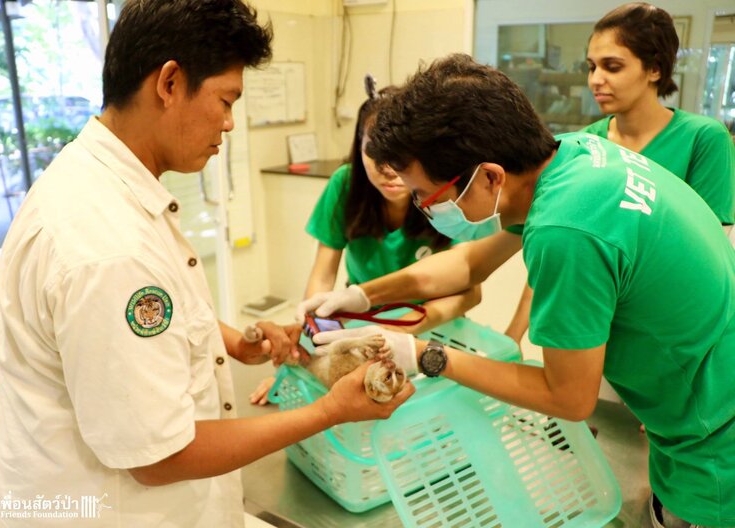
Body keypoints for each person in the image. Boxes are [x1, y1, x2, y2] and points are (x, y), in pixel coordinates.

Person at [0, 1, 413, 526]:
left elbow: (149, 315)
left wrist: (234, 343)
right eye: (225, 100)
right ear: (169, 83)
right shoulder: (109, 246)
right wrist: (330, 411)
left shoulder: (99, 188)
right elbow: (160, 456)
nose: (231, 123)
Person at [300, 53, 735, 528]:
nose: (426, 210)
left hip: (714, 446)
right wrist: (364, 295)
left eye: (428, 197)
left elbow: (568, 398)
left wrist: (425, 355)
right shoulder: (575, 155)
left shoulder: (566, 231)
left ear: (488, 176)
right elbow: (469, 263)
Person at [504, 2, 735, 347]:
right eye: (592, 66)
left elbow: (711, 252)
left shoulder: (703, 138)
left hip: (678, 337)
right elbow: (557, 248)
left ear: (654, 68)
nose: (596, 80)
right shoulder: (586, 144)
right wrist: (513, 335)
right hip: (602, 329)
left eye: (612, 67)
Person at [249, 83, 481, 405]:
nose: (389, 168)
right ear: (360, 148)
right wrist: (300, 359)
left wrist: (402, 332)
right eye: (376, 152)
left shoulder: (444, 193)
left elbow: (470, 289)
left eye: (402, 153)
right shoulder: (345, 185)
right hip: (363, 323)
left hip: (434, 323)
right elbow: (322, 278)